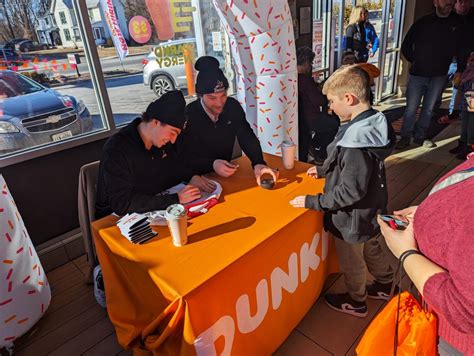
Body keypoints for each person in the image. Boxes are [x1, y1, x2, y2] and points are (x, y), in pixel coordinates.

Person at [290, 65, 397, 317]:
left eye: (331, 101)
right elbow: (350, 164)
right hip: (373, 207)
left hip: (350, 216)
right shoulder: (374, 122)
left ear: (349, 98)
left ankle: (356, 299)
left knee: (353, 259)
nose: (330, 108)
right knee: (372, 245)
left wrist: (313, 201)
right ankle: (385, 283)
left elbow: (350, 190)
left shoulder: (354, 145)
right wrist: (325, 169)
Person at [377, 153, 474, 355]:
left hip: (454, 341)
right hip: (439, 321)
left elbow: (465, 310)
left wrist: (406, 253)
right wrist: (430, 211)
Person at [95, 90, 215, 219]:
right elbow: (122, 204)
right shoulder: (117, 149)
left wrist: (191, 177)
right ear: (155, 122)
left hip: (154, 206)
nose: (173, 140)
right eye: (173, 132)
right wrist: (176, 198)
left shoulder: (161, 141)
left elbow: (175, 166)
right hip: (118, 220)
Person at [179, 56, 277, 186]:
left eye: (223, 95)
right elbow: (183, 157)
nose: (219, 103)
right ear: (200, 96)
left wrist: (258, 162)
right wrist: (212, 164)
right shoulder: (189, 115)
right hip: (197, 178)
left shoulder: (232, 106)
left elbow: (246, 135)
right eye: (212, 98)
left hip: (226, 175)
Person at [396, 0, 467, 150]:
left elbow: (462, 48)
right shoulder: (423, 22)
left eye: (451, 1)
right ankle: (405, 136)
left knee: (429, 108)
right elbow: (406, 45)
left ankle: (420, 136)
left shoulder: (458, 24)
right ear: (435, 2)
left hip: (440, 74)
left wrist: (460, 69)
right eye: (445, 0)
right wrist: (415, 60)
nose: (449, 3)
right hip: (418, 73)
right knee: (411, 107)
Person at [296, 46, 339, 163]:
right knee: (334, 125)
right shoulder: (305, 80)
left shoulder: (292, 78)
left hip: (299, 119)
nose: (310, 66)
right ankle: (317, 149)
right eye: (310, 63)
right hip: (311, 118)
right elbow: (318, 101)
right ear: (305, 63)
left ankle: (313, 146)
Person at [437, 0, 474, 125]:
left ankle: (453, 114)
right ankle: (433, 112)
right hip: (444, 60)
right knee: (437, 87)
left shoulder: (471, 20)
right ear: (455, 3)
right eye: (460, 1)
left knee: (457, 90)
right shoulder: (447, 18)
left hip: (465, 62)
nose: (463, 4)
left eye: (466, 2)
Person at [451, 53, 474, 159]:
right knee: (465, 121)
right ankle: (463, 143)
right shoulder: (469, 69)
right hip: (467, 95)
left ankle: (470, 147)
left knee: (472, 124)